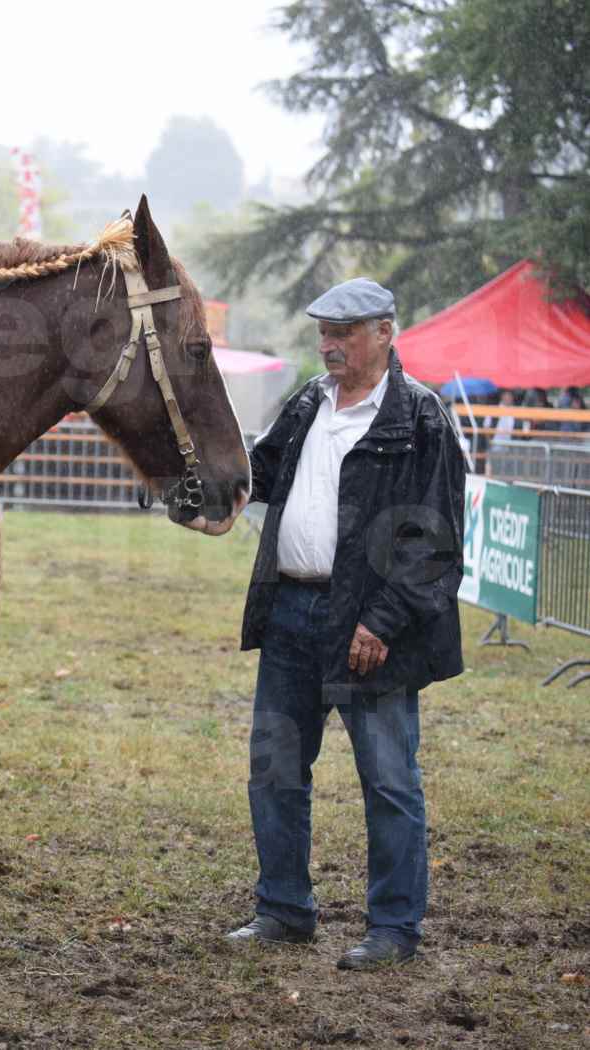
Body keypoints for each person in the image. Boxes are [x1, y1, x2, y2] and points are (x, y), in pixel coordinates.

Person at [227, 277, 465, 970]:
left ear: (384, 332)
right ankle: (282, 909)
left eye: (344, 332)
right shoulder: (309, 401)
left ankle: (393, 928)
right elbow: (259, 473)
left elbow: (434, 540)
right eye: (323, 332)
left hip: (369, 627)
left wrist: (381, 621)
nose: (328, 344)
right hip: (292, 613)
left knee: (388, 777)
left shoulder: (419, 418)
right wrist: (203, 482)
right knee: (273, 768)